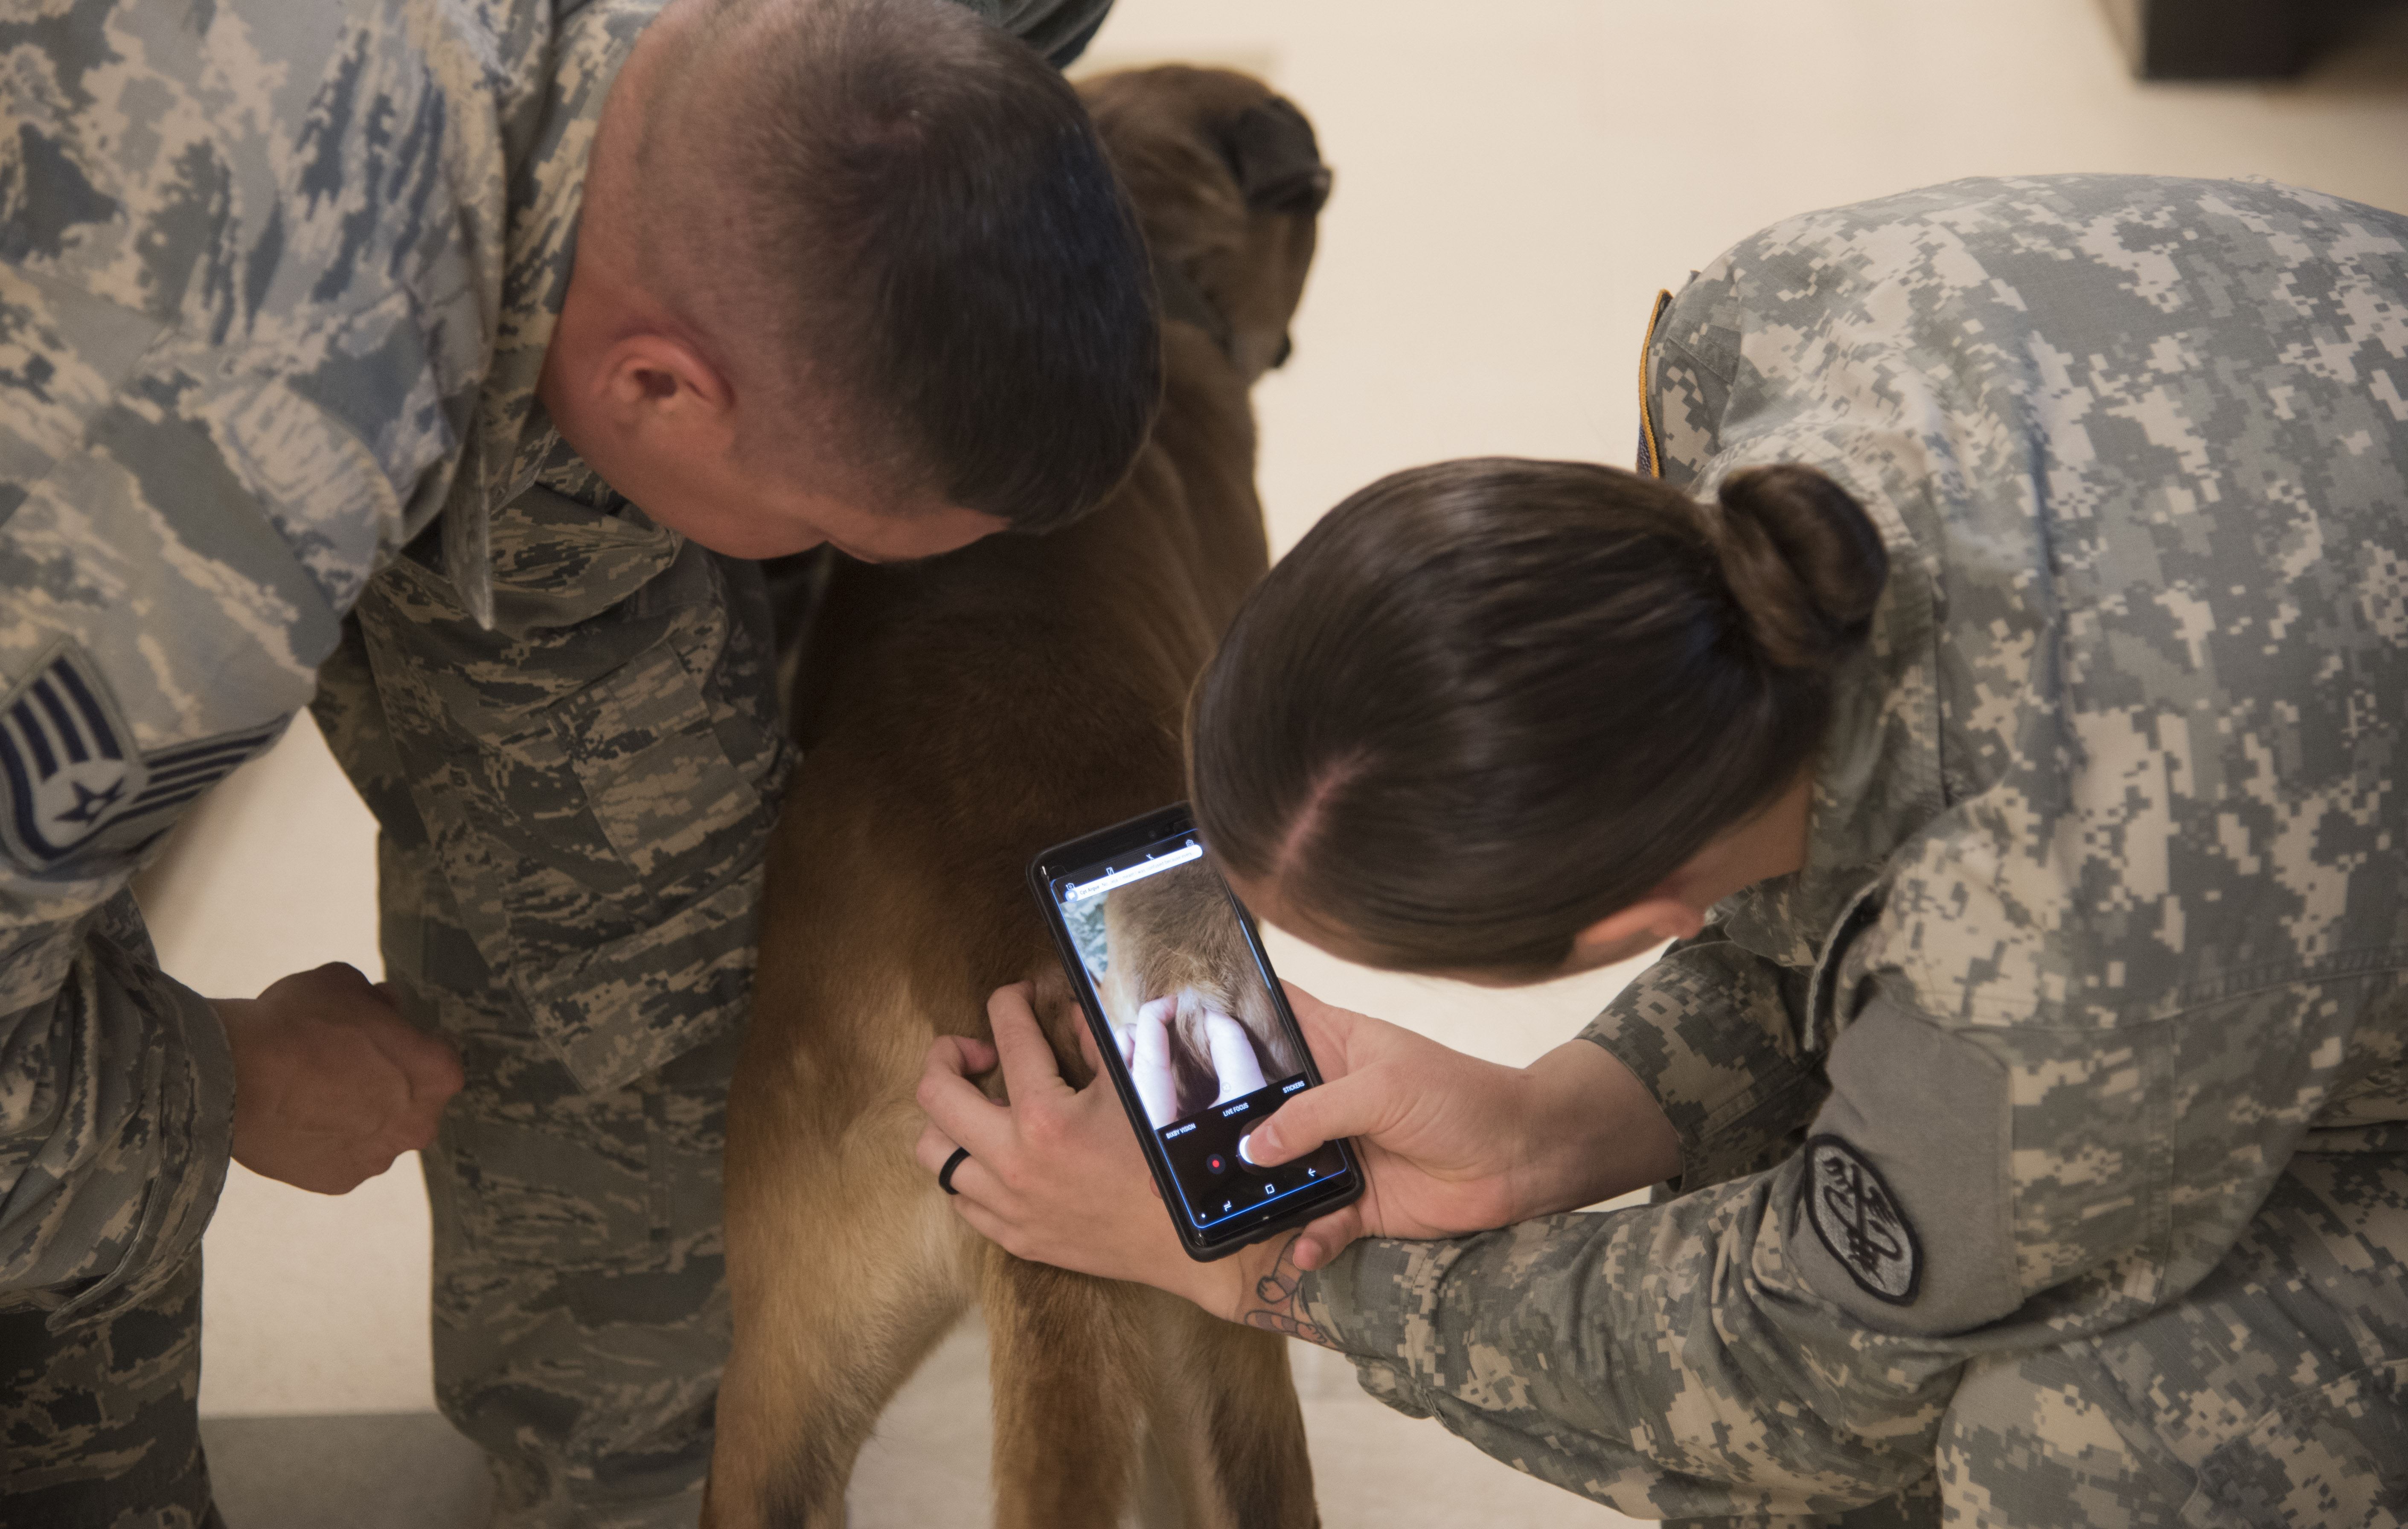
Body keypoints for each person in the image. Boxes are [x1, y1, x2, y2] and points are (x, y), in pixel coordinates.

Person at [915, 174, 2408, 1526]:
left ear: (1637, 920)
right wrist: (1549, 1127)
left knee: (2075, 1440)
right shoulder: (1760, 336)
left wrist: (1268, 1276)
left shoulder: (2073, 929)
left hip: (2232, 904)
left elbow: (1811, 1383)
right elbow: (1789, 844)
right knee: (1781, 1153)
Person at [0, 0, 1154, 1522]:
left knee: (649, 893)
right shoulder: (193, 511)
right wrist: (218, 1087)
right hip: (135, 420)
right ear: (659, 386)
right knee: (80, 1260)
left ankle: (635, 1476)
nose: (819, 570)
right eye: (823, 533)